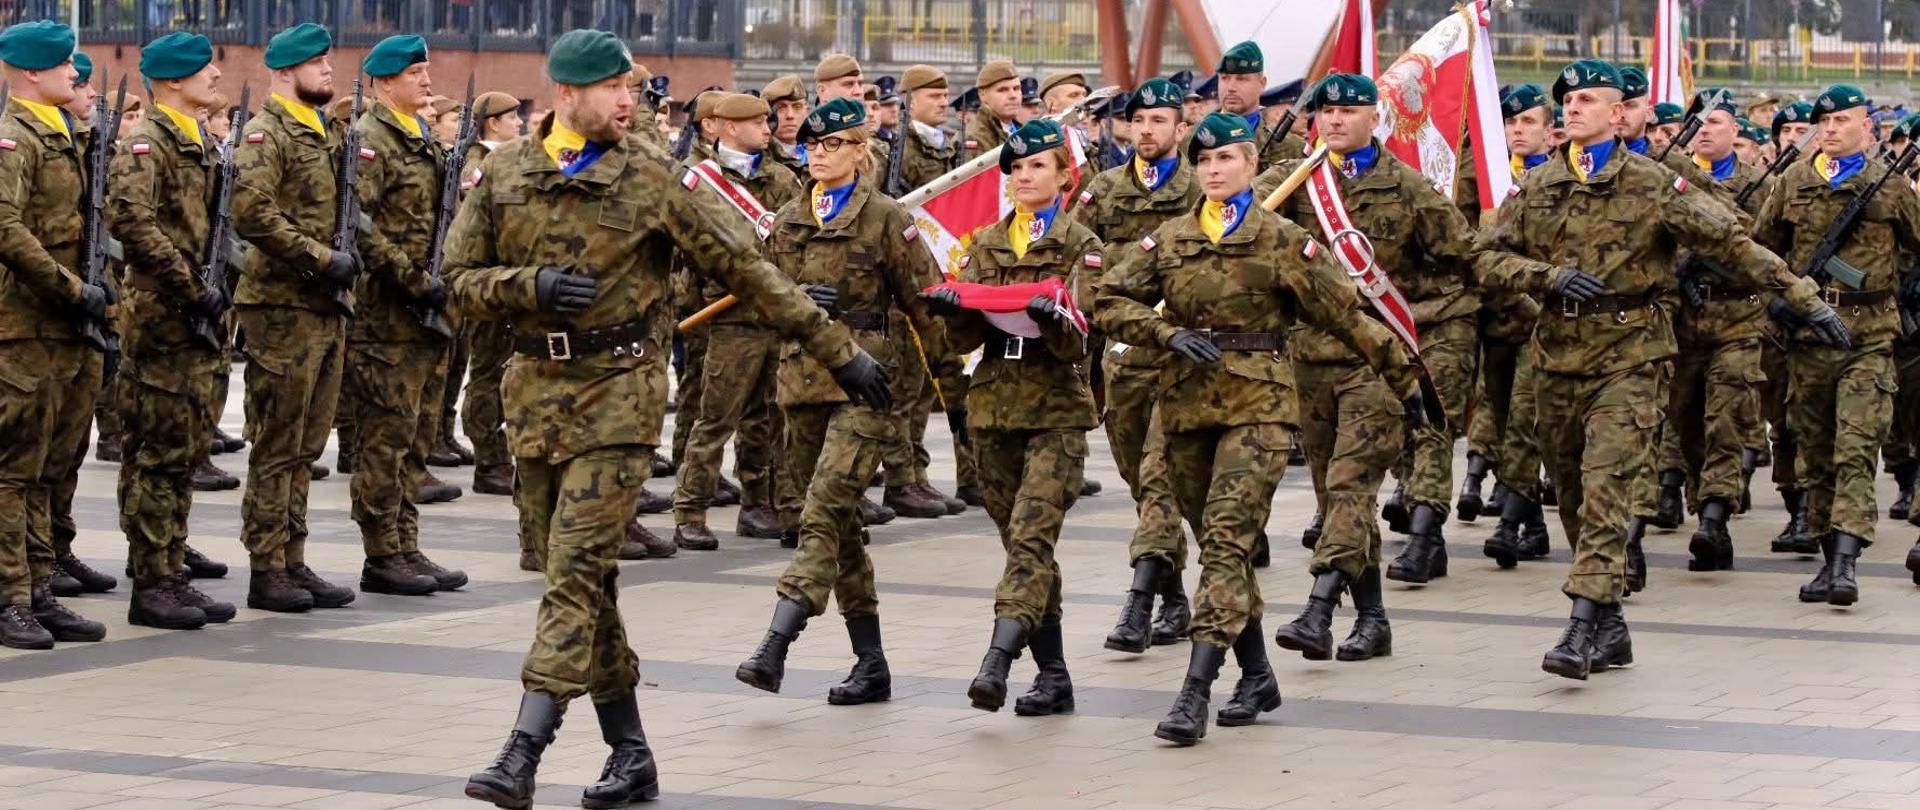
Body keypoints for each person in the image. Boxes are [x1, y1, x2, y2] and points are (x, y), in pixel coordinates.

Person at [451, 31, 890, 810]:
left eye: (632, 87)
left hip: (620, 394)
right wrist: (529, 285)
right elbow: (455, 279)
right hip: (535, 396)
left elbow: (747, 270)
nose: (630, 101)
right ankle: (632, 755)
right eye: (613, 88)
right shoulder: (506, 172)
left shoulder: (654, 176)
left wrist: (841, 352)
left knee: (576, 571)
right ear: (567, 95)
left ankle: (522, 749)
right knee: (577, 582)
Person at [1475, 60, 1846, 680]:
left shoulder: (1653, 183)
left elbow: (1732, 244)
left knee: (1606, 483)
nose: (1572, 109)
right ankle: (1612, 625)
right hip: (1558, 356)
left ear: (1620, 114)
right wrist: (1544, 277)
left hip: (1632, 355)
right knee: (1569, 490)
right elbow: (1483, 257)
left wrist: (1803, 298)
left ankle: (1582, 623)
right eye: (1567, 100)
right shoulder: (1537, 187)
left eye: (1588, 100)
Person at [1098, 111, 1422, 745]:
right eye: (1205, 162)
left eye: (1227, 160)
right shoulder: (1168, 239)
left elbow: (1346, 315)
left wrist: (1407, 381)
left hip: (1261, 407)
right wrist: (1164, 332)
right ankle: (1257, 674)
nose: (1215, 171)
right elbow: (1107, 298)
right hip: (1187, 406)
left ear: (1251, 165)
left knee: (1224, 541)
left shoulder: (1282, 239)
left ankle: (1194, 691)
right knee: (1224, 546)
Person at [1255, 73, 1477, 656]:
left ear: (1373, 119)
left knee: (1354, 486)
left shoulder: (1407, 188)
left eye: (1348, 112)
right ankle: (1373, 620)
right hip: (1309, 359)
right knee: (1335, 498)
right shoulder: (1293, 183)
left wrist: (1441, 313)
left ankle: (1318, 609)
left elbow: (1466, 254)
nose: (1334, 120)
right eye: (1325, 111)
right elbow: (1236, 227)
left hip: (1377, 363)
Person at [733, 98, 942, 706]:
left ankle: (778, 639)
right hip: (801, 385)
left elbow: (926, 306)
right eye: (813, 145)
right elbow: (756, 299)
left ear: (859, 150)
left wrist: (959, 391)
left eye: (833, 144)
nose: (819, 154)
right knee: (840, 527)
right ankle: (871, 662)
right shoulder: (785, 219)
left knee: (823, 510)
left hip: (867, 384)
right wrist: (795, 295)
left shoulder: (885, 218)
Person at [922, 119, 1098, 716]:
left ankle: (997, 659)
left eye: (1037, 166)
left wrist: (1051, 313)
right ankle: (1054, 674)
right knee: (1023, 547)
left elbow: (1080, 341)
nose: (1024, 176)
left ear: (1063, 177)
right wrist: (954, 309)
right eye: (1016, 168)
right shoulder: (987, 244)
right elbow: (966, 335)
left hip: (1055, 407)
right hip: (994, 406)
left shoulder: (1083, 244)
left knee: (1030, 539)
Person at [1752, 84, 1920, 607]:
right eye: (1824, 122)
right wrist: (1781, 301)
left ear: (1866, 127)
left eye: (1842, 121)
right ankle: (1828, 557)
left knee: (1855, 447)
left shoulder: (1889, 188)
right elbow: (1760, 253)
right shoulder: (1792, 182)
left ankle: (1847, 560)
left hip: (1869, 336)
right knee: (1816, 453)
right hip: (1808, 338)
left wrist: (1901, 293)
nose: (1830, 129)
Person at [107, 31, 242, 631]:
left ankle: (171, 568)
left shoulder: (199, 144)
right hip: (165, 319)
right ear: (171, 82)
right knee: (158, 454)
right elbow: (132, 222)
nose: (215, 74)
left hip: (200, 320)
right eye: (202, 68)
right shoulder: (145, 142)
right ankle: (153, 579)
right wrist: (193, 287)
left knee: (185, 450)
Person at [231, 22, 361, 613]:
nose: (328, 69)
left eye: (328, 60)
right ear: (285, 72)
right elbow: (251, 213)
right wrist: (320, 258)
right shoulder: (268, 134)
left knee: (308, 444)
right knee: (278, 443)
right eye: (315, 62)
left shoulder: (324, 135)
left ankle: (293, 556)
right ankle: (267, 566)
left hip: (323, 306)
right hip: (281, 307)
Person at [341, 34, 468, 596]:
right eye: (414, 71)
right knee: (385, 439)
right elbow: (358, 224)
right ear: (383, 81)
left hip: (427, 312)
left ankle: (406, 544)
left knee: (416, 437)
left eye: (426, 69)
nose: (426, 79)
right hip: (387, 314)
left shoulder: (423, 139)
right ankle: (381, 552)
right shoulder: (371, 139)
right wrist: (414, 280)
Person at [0, 20, 111, 649]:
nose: (76, 72)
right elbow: (7, 227)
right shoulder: (15, 138)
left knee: (51, 469)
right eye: (65, 64)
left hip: (66, 327)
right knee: (15, 471)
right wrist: (71, 288)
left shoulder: (62, 134)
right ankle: (10, 595)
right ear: (33, 72)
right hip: (25, 327)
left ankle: (40, 588)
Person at [1084, 78, 1202, 654]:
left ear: (1182, 129)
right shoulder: (1103, 189)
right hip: (1124, 359)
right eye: (1140, 121)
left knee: (1159, 476)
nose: (1148, 130)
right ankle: (1176, 597)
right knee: (1140, 480)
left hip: (1182, 361)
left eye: (1161, 121)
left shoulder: (1201, 189)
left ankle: (1140, 603)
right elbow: (1082, 264)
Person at [670, 92, 802, 550]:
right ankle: (690, 510)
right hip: (727, 316)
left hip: (773, 315)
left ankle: (759, 504)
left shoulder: (781, 178)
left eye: (767, 122)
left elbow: (796, 236)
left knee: (767, 419)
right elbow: (688, 244)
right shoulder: (697, 180)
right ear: (725, 126)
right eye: (757, 122)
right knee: (715, 418)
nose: (768, 129)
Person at [1660, 88, 1777, 577]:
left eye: (1717, 122)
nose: (1705, 129)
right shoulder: (1668, 178)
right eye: (1699, 122)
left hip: (1737, 319)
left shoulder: (1763, 183)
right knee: (1683, 420)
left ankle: (1714, 516)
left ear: (1736, 131)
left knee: (1725, 419)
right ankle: (1698, 493)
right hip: (1684, 322)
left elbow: (1771, 246)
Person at [1476, 83, 1553, 567]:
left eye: (1528, 122)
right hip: (1495, 322)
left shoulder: (1558, 179)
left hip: (1543, 322)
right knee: (1505, 422)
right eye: (1510, 122)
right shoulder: (1488, 178)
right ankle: (1535, 526)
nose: (1517, 130)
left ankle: (1509, 523)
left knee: (1525, 420)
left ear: (1550, 131)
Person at [460, 90, 523, 503]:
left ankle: (498, 455)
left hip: (509, 282)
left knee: (500, 370)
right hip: (488, 281)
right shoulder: (479, 164)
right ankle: (489, 459)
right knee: (486, 375)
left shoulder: (508, 160)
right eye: (513, 117)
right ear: (493, 123)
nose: (519, 124)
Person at [1764, 99, 1816, 556]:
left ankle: (1819, 511)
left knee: (1816, 423)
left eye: (1806, 128)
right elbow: (1757, 251)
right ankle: (1795, 503)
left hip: (1844, 323)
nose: (1796, 137)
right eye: (1789, 129)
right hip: (1781, 324)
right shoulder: (1774, 186)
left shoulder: (1873, 184)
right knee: (1782, 420)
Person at [964, 60, 1021, 161]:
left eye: (1016, 88)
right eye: (1003, 90)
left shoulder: (1019, 130)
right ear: (982, 94)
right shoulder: (974, 138)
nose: (1013, 95)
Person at [762, 74, 808, 180]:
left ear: (806, 112)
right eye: (781, 107)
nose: (790, 115)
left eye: (797, 107)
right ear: (768, 115)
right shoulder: (758, 156)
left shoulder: (821, 151)